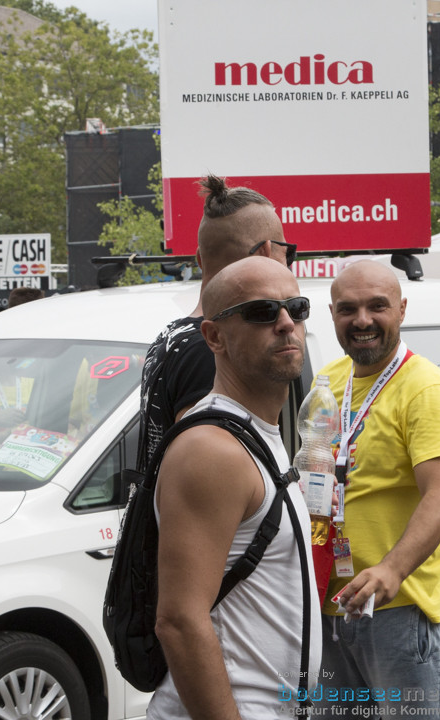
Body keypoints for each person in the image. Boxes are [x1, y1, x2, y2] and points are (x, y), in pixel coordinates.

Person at [149, 256, 320, 719]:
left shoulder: (256, 433)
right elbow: (180, 621)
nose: (286, 323)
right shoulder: (214, 450)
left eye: (297, 308)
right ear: (214, 337)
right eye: (262, 312)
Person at [317, 259, 440, 716]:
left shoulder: (426, 390)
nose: (362, 321)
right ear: (332, 315)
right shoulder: (328, 381)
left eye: (376, 306)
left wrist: (392, 569)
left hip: (399, 609)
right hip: (331, 606)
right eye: (348, 309)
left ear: (401, 310)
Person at [137, 174, 295, 472]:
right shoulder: (215, 348)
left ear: (199, 259)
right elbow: (201, 469)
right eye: (288, 253)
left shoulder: (174, 335)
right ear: (264, 254)